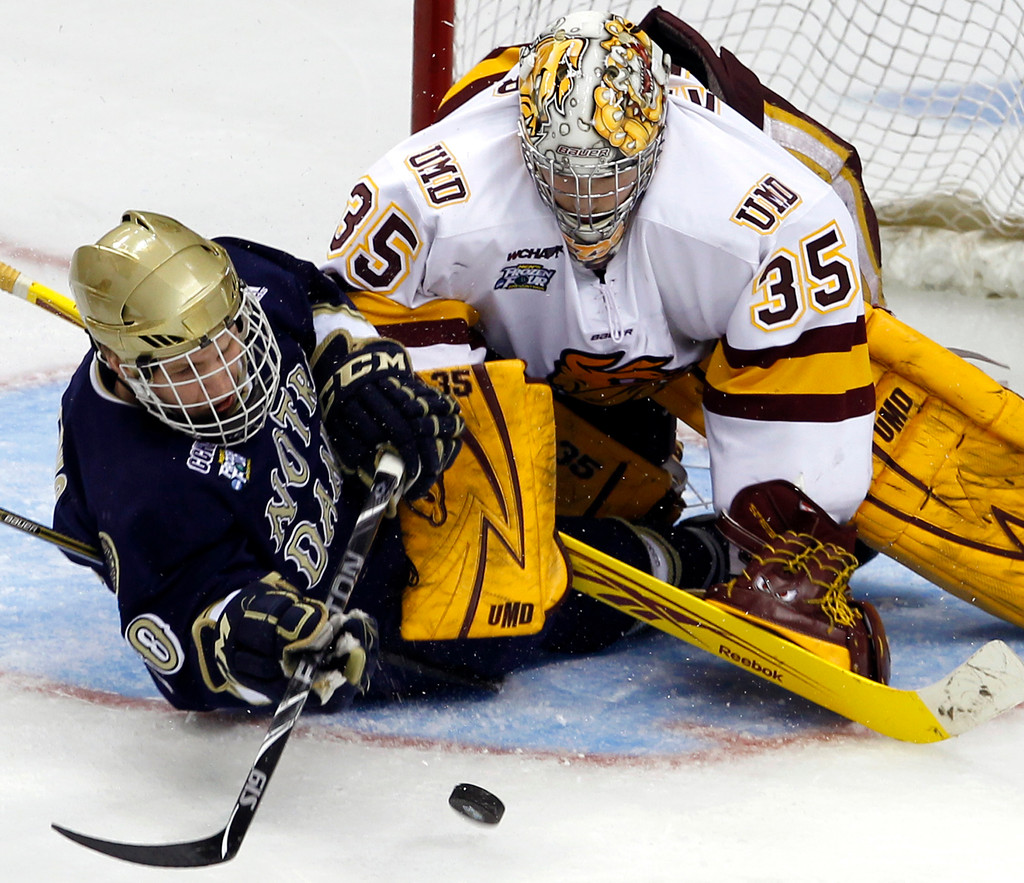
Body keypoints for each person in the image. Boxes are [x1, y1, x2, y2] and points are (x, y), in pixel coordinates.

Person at [321, 9, 890, 682]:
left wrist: (798, 518)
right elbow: (343, 303)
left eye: (608, 174)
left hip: (703, 346)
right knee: (474, 599)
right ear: (523, 142)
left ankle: (776, 554)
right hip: (524, 361)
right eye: (563, 175)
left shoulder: (766, 205)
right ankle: (679, 548)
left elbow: (822, 311)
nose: (585, 199)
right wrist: (385, 398)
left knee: (864, 491)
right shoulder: (428, 193)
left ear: (658, 141)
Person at [53, 209, 725, 712]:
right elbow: (190, 646)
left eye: (230, 340)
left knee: (491, 402)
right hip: (367, 608)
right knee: (517, 609)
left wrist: (356, 368)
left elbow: (313, 300)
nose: (231, 365)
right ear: (121, 365)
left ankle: (638, 479)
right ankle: (689, 559)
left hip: (371, 482)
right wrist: (264, 637)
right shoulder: (142, 489)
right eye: (195, 365)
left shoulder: (228, 282)